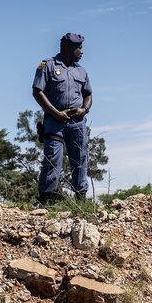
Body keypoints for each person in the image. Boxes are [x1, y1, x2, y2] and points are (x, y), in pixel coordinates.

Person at [32, 32, 93, 202]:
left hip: (77, 123)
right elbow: (37, 92)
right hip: (54, 122)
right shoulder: (48, 65)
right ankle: (46, 201)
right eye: (78, 48)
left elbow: (88, 94)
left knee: (80, 160)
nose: (81, 51)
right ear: (68, 47)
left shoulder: (81, 71)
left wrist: (84, 109)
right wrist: (55, 113)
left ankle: (81, 202)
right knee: (52, 160)